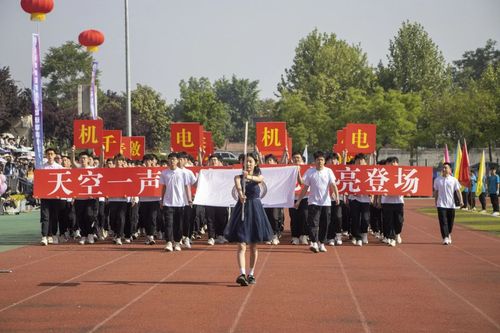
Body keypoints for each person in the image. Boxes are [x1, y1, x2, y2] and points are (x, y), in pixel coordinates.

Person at [224, 153, 273, 286]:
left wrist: (249, 176)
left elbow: (259, 180)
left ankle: (251, 274)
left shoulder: (258, 176)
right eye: (246, 162)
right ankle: (242, 273)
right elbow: (239, 188)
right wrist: (240, 194)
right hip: (242, 210)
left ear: (255, 163)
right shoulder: (238, 177)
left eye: (251, 161)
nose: (248, 164)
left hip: (256, 210)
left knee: (254, 245)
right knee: (241, 243)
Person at [295, 151, 340, 253]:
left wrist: (336, 196)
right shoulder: (310, 172)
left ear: (324, 161)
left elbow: (333, 185)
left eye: (322, 160)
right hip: (313, 202)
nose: (320, 161)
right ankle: (314, 242)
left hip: (326, 202)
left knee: (325, 223)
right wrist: (299, 200)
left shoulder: (328, 171)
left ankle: (322, 243)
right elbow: (304, 186)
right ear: (314, 161)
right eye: (318, 160)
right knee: (313, 223)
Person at [159, 152, 192, 252]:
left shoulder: (183, 173)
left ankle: (177, 242)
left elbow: (187, 186)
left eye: (174, 159)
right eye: (170, 159)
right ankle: (169, 242)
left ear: (177, 161)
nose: (172, 161)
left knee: (179, 224)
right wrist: (162, 199)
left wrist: (189, 199)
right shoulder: (164, 173)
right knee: (168, 223)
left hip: (180, 202)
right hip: (168, 202)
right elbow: (164, 187)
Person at [433, 163, 463, 245]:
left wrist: (461, 200)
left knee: (450, 222)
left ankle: (448, 233)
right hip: (441, 204)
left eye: (446, 168)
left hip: (451, 204)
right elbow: (436, 191)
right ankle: (445, 237)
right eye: (443, 168)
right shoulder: (437, 180)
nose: (444, 169)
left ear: (450, 170)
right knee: (443, 221)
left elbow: (458, 191)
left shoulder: (453, 180)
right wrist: (435, 201)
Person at [39, 148, 64, 246]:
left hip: (55, 197)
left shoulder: (59, 167)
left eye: (51, 154)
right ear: (46, 155)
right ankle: (44, 236)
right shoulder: (42, 168)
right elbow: (39, 182)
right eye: (48, 154)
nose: (50, 156)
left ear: (54, 155)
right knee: (45, 217)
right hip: (45, 197)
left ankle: (53, 235)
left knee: (54, 217)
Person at [381, 156, 405, 247]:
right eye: (391, 162)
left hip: (398, 201)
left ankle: (397, 233)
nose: (393, 164)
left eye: (395, 162)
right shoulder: (383, 174)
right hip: (387, 201)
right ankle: (391, 238)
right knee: (388, 221)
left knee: (399, 221)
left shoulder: (402, 174)